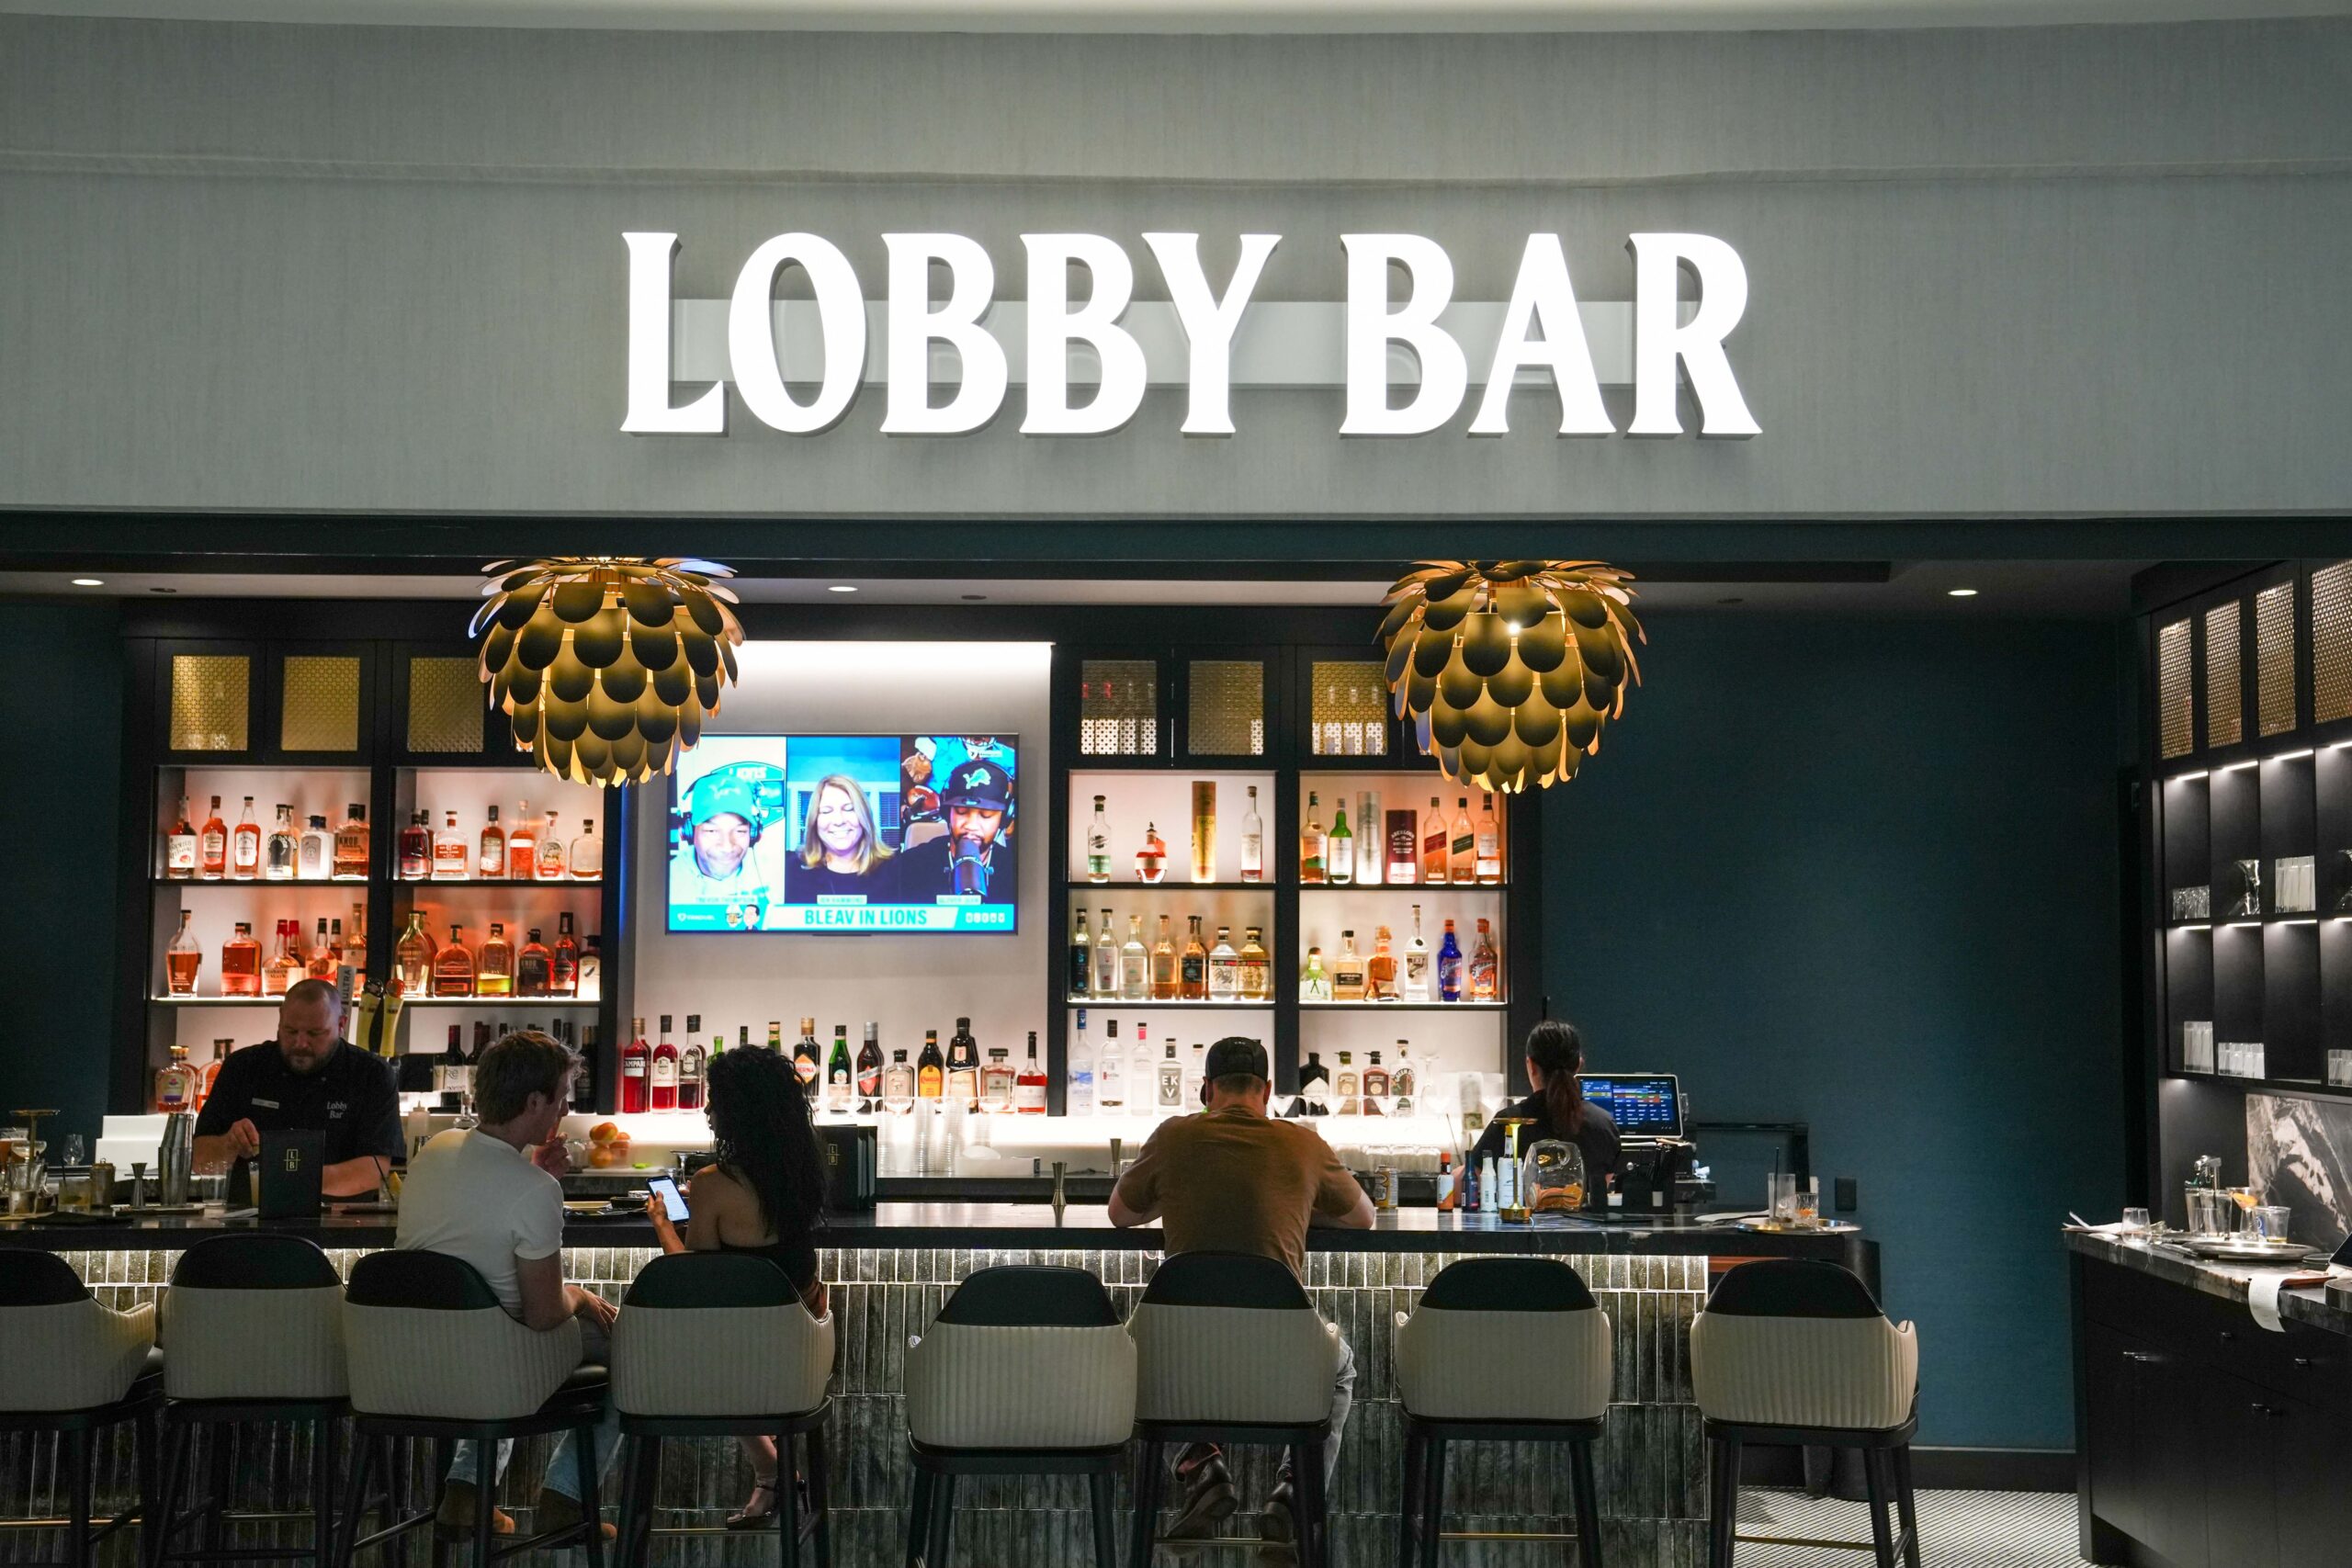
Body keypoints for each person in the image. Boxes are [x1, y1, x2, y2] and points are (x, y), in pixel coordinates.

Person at [1109, 1037, 1372, 1566]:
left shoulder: (1173, 1136)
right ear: (1269, 1091)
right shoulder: (1303, 1144)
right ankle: (1295, 1492)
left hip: (1179, 1366)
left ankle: (1200, 1463)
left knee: (1136, 1362)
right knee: (1339, 1370)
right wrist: (1297, 1202)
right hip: (1282, 1365)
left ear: (1206, 1090)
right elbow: (1362, 1217)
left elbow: (1120, 1213)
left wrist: (1177, 1195)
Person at [396, 1031, 617, 1542]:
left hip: (405, 1356)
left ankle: (466, 1497)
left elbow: (482, 1203)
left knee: (492, 1335)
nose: (564, 1111)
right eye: (561, 1099)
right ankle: (566, 1500)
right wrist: (583, 1297)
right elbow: (543, 1313)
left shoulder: (434, 1149)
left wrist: (530, 1169)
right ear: (534, 1100)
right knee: (633, 1344)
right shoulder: (535, 1191)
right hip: (491, 1362)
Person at [644, 1046, 829, 1529]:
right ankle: (772, 1472)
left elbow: (693, 1281)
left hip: (739, 1359)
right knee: (722, 1344)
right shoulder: (804, 1172)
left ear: (737, 1111)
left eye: (716, 1101)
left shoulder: (713, 1183)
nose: (708, 1111)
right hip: (801, 1351)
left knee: (672, 1344)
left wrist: (663, 1222)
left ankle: (772, 1471)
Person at [191, 979, 401, 1201]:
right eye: (291, 1031)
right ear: (280, 1019)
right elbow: (198, 1160)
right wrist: (229, 1144)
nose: (300, 1043)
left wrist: (288, 1178)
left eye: (314, 1033)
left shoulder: (371, 1074)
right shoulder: (243, 1067)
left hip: (339, 1223)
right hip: (247, 1221)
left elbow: (372, 1172)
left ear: (341, 1025)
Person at [1469, 1021, 1622, 1197]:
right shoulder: (1603, 1124)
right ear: (1578, 1065)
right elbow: (1599, 1189)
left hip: (1522, 1224)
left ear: (1531, 1065)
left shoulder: (1509, 1123)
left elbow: (1466, 1184)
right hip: (1584, 1225)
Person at [888, 756, 1017, 906]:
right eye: (961, 812)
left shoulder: (1016, 870)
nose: (971, 825)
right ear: (946, 813)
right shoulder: (910, 864)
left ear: (1004, 819)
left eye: (985, 815)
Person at [669, 765, 785, 931]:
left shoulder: (775, 876)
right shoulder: (667, 879)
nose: (727, 846)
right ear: (688, 832)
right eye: (712, 831)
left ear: (754, 834)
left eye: (740, 831)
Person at [781, 773, 894, 904]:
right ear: (814, 821)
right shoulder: (788, 869)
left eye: (849, 809)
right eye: (826, 811)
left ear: (864, 816)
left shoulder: (895, 870)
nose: (839, 821)